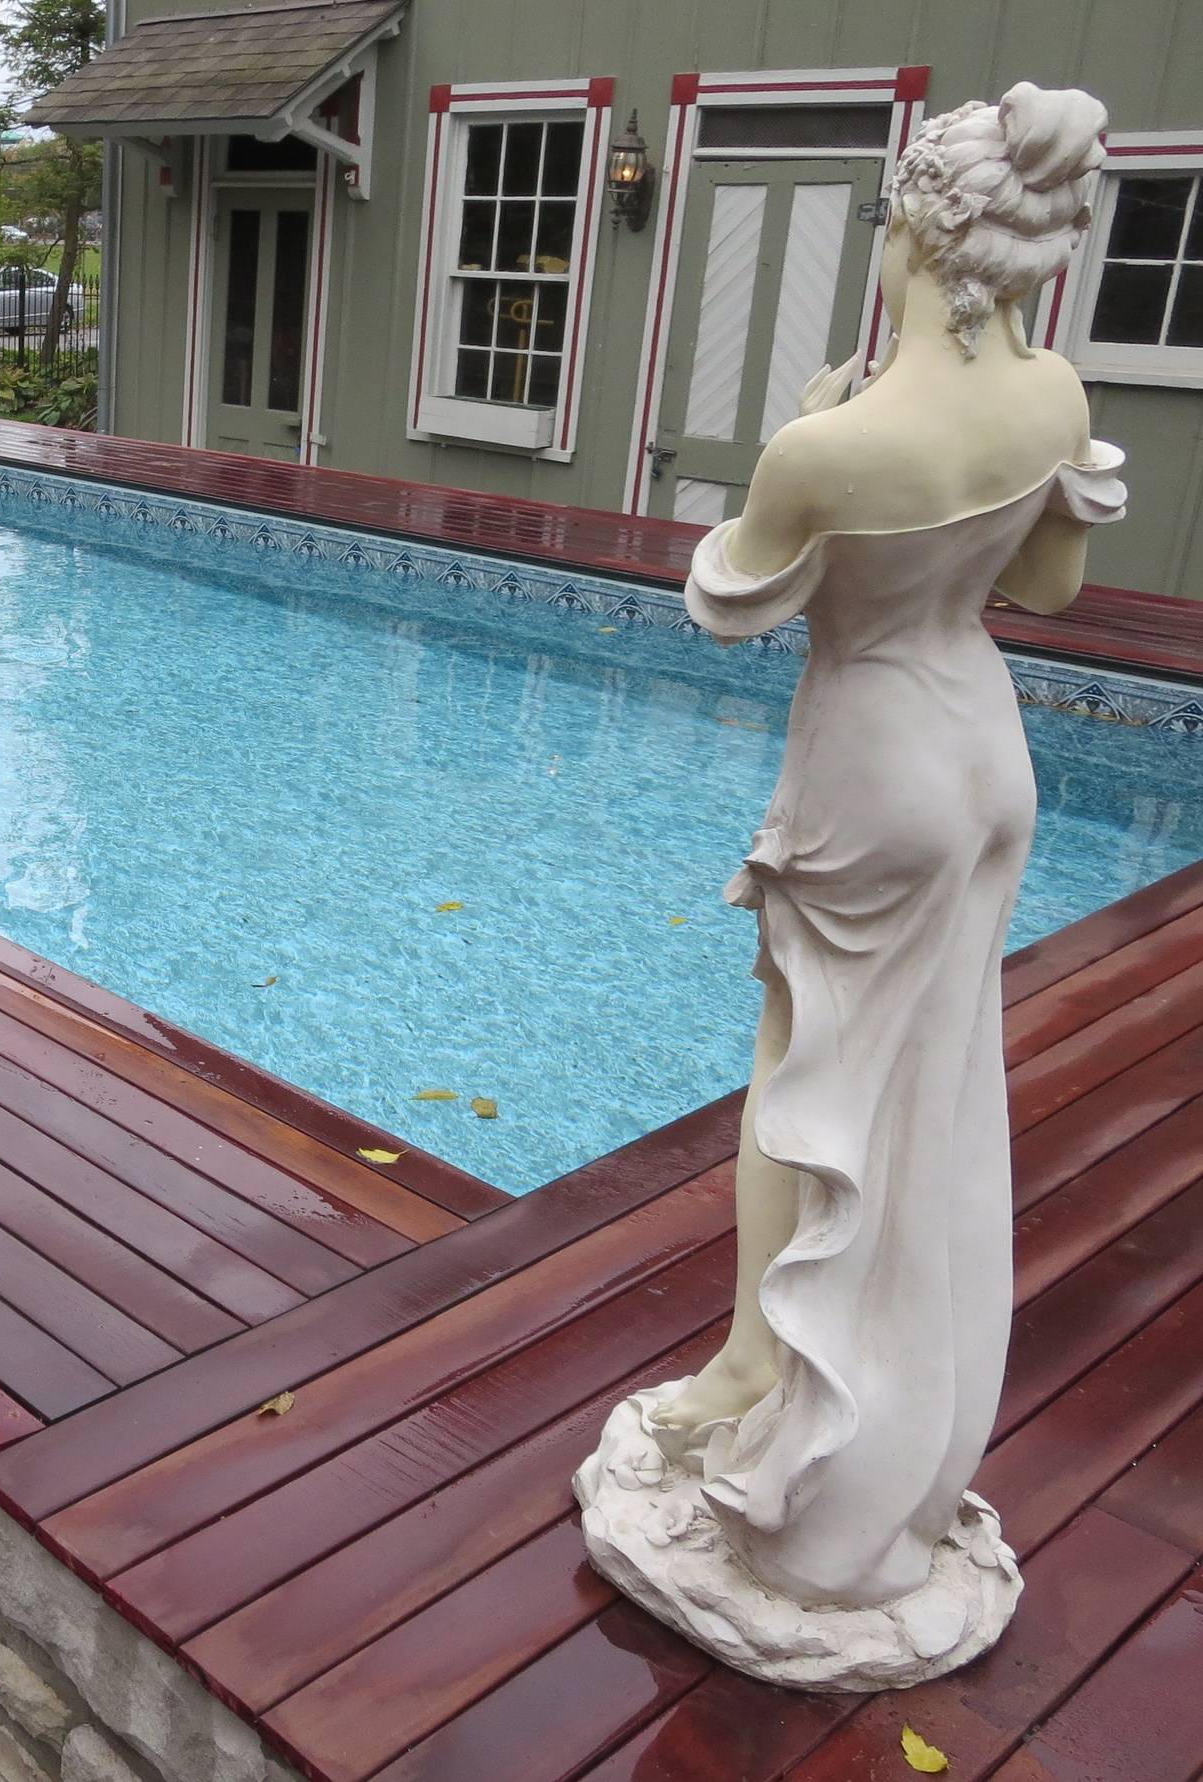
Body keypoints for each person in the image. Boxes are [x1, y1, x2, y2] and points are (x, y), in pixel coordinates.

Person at [576, 82, 1126, 1688]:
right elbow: (1046, 580)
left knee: (804, 1079)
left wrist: (797, 447)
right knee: (933, 1092)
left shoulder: (835, 442)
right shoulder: (1053, 396)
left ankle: (775, 1381)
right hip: (986, 759)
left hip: (872, 760)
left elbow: (730, 602)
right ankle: (874, 1413)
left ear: (915, 227)